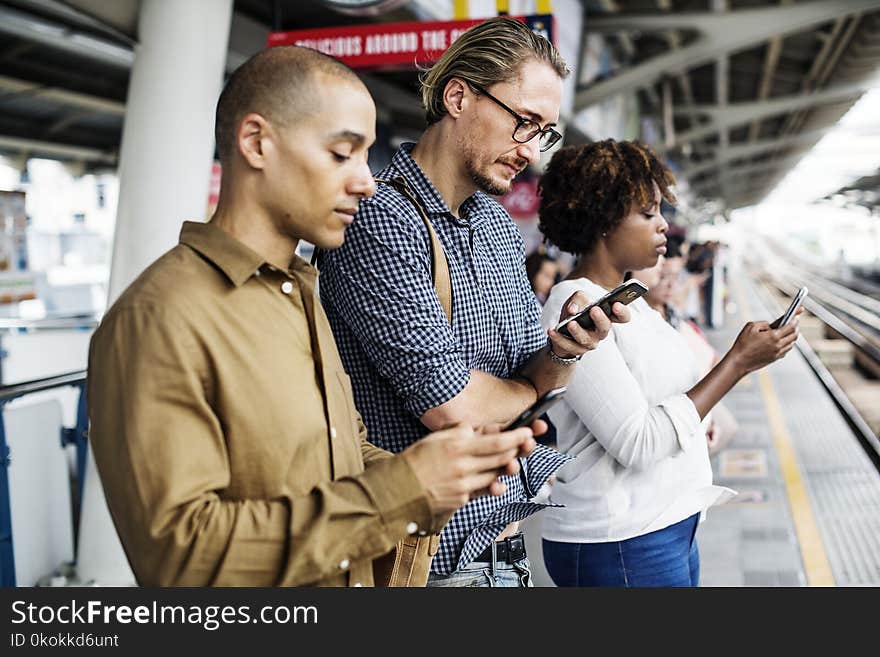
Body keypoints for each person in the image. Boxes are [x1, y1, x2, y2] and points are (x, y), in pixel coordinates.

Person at [86, 45, 539, 587]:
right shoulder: (157, 319)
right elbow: (180, 555)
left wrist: (448, 472)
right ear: (256, 143)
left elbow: (338, 455)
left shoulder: (299, 294)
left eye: (365, 157)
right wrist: (403, 489)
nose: (367, 182)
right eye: (341, 154)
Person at [317, 18, 628, 587]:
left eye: (544, 133)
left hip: (504, 552)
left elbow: (536, 383)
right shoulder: (380, 220)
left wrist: (565, 350)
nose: (530, 151)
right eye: (523, 123)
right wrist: (533, 385)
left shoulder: (499, 229)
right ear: (458, 95)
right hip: (426, 564)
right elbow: (453, 407)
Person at [535, 139, 801, 587]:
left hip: (665, 527)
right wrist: (737, 363)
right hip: (620, 541)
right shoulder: (575, 307)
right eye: (648, 213)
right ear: (604, 218)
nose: (664, 227)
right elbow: (638, 442)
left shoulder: (630, 304)